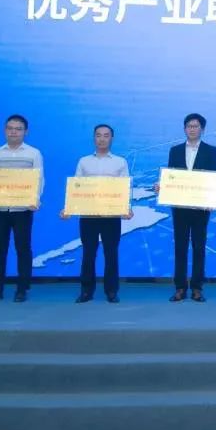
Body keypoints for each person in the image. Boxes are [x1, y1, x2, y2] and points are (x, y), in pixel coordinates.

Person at [0, 114, 43, 303]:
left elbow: (39, 179)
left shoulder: (33, 153)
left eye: (18, 129)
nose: (14, 132)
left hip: (22, 209)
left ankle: (22, 289)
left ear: (25, 132)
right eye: (10, 128)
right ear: (5, 130)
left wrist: (35, 199)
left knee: (23, 249)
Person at [63, 124, 132, 303]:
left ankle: (111, 290)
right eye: (98, 135)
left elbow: (125, 188)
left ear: (112, 139)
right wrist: (69, 207)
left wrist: (126, 207)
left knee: (111, 253)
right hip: (88, 216)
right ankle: (86, 290)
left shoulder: (120, 162)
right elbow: (77, 187)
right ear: (94, 138)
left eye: (106, 135)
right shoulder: (84, 161)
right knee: (88, 253)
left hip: (111, 216)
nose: (102, 139)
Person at [161, 113, 216, 303]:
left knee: (199, 246)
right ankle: (180, 287)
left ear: (202, 129)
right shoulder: (175, 150)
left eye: (196, 126)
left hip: (201, 207)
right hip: (180, 206)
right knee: (180, 246)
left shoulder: (211, 150)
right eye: (189, 126)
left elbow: (213, 177)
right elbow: (171, 175)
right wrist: (163, 186)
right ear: (184, 129)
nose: (192, 129)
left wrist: (211, 200)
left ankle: (197, 287)